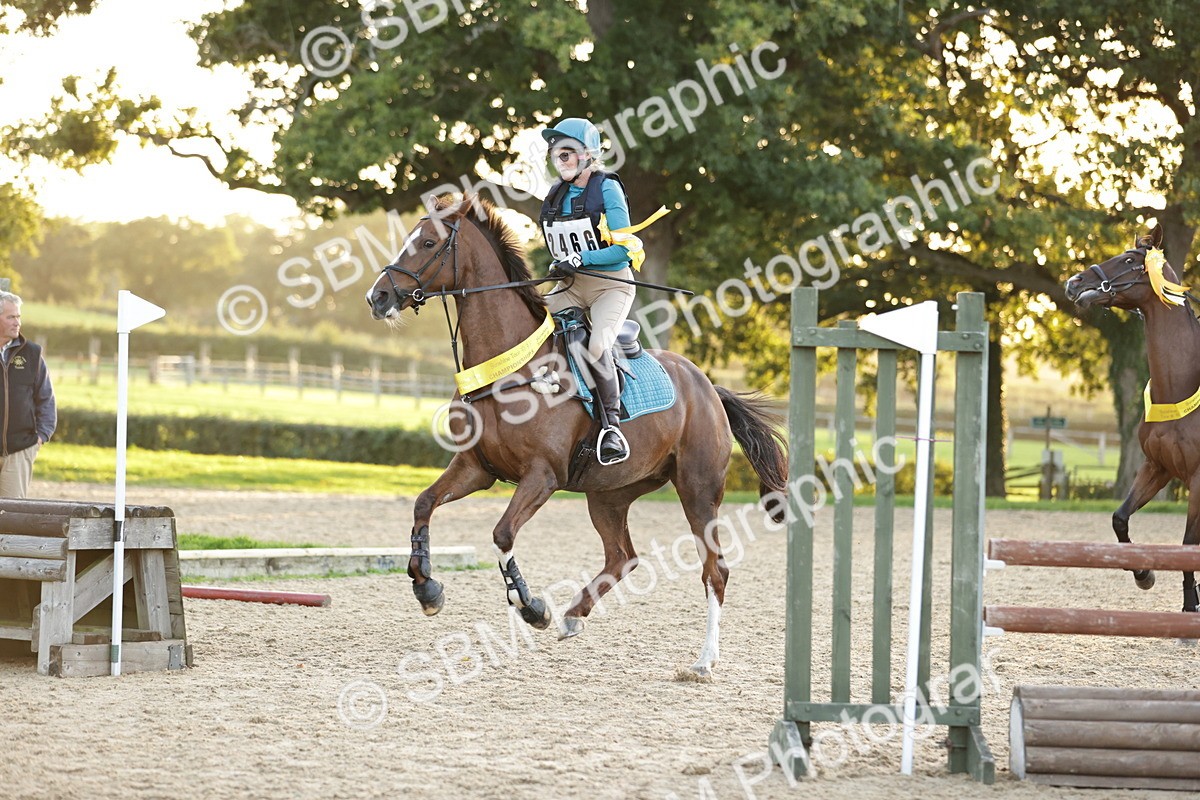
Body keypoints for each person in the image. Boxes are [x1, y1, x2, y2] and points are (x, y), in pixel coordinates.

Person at [539, 117, 667, 466]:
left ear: (587, 156)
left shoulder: (606, 188)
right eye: (556, 155)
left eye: (567, 154)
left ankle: (612, 427)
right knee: (530, 319)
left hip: (611, 286)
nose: (560, 161)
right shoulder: (555, 195)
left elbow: (624, 249)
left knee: (597, 344)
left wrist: (581, 258)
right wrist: (560, 264)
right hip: (571, 286)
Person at [0, 291, 56, 497]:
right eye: (11, 317)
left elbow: (46, 398)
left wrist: (41, 436)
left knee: (10, 517)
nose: (17, 322)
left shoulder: (32, 353)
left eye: (18, 317)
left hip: (19, 451)